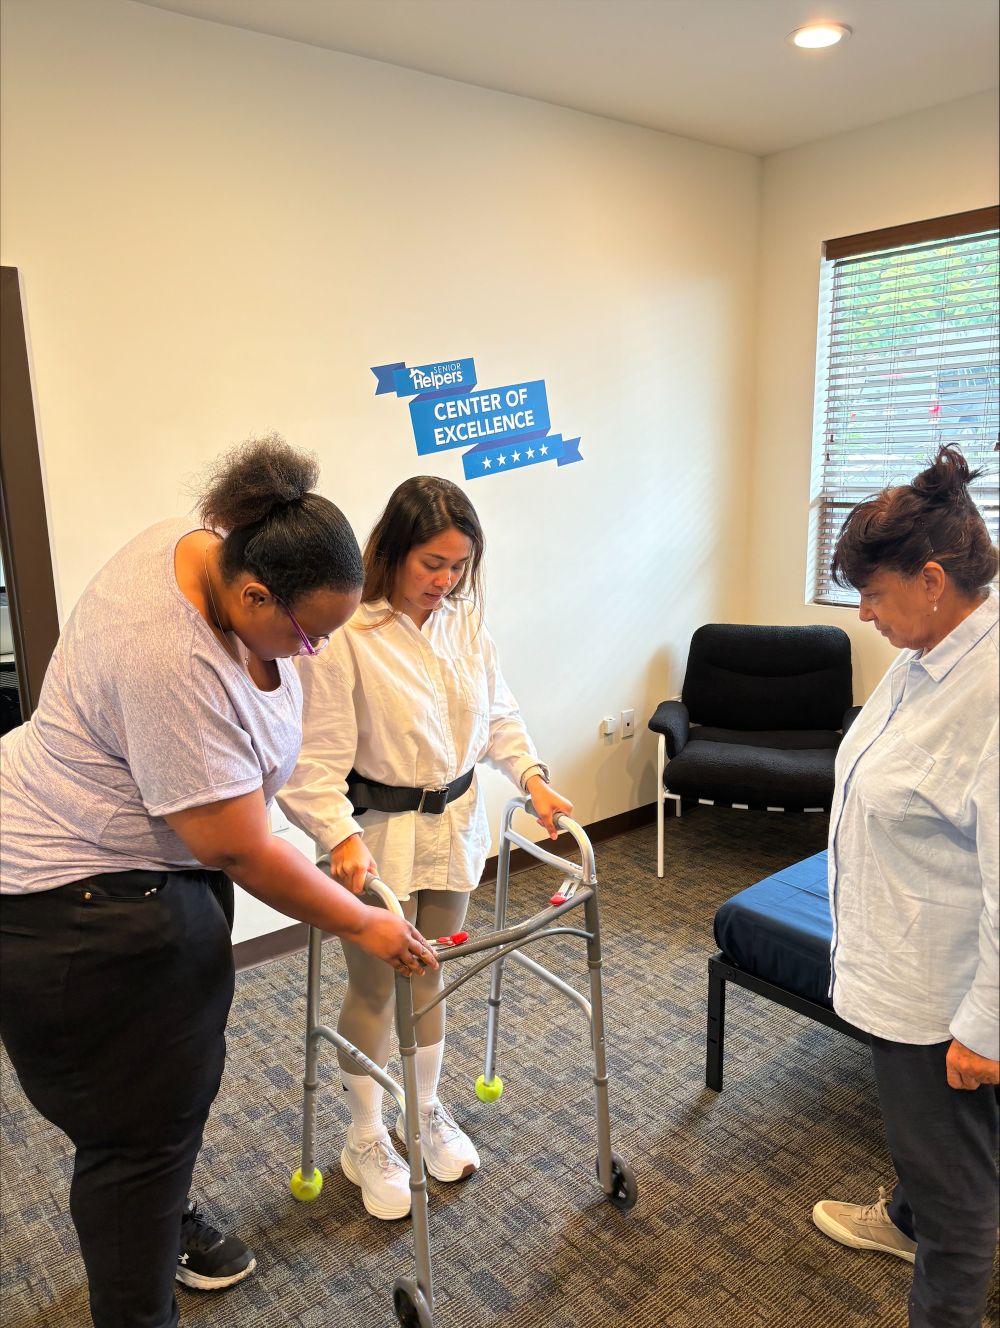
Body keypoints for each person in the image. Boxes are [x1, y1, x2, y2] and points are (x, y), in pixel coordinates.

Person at [0, 435, 438, 1328]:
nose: (313, 652)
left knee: (161, 1105)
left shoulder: (211, 545)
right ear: (252, 593)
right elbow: (237, 846)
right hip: (75, 902)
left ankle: (166, 1209)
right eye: (306, 630)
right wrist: (364, 925)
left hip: (129, 875)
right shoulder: (170, 657)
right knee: (133, 1145)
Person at [278, 474, 572, 1220]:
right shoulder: (348, 635)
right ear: (393, 553)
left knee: (432, 970)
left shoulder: (466, 626)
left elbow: (499, 716)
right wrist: (337, 833)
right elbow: (310, 762)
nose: (445, 581)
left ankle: (426, 1108)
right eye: (431, 564)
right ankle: (365, 1134)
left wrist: (533, 779)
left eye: (458, 566)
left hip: (452, 825)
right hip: (371, 838)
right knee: (377, 984)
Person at [811, 445, 998, 1328]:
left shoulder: (990, 691)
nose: (865, 613)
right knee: (928, 1148)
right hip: (898, 957)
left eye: (875, 594)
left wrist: (984, 1029)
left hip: (944, 995)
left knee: (960, 1201)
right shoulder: (927, 654)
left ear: (932, 579)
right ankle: (900, 1217)